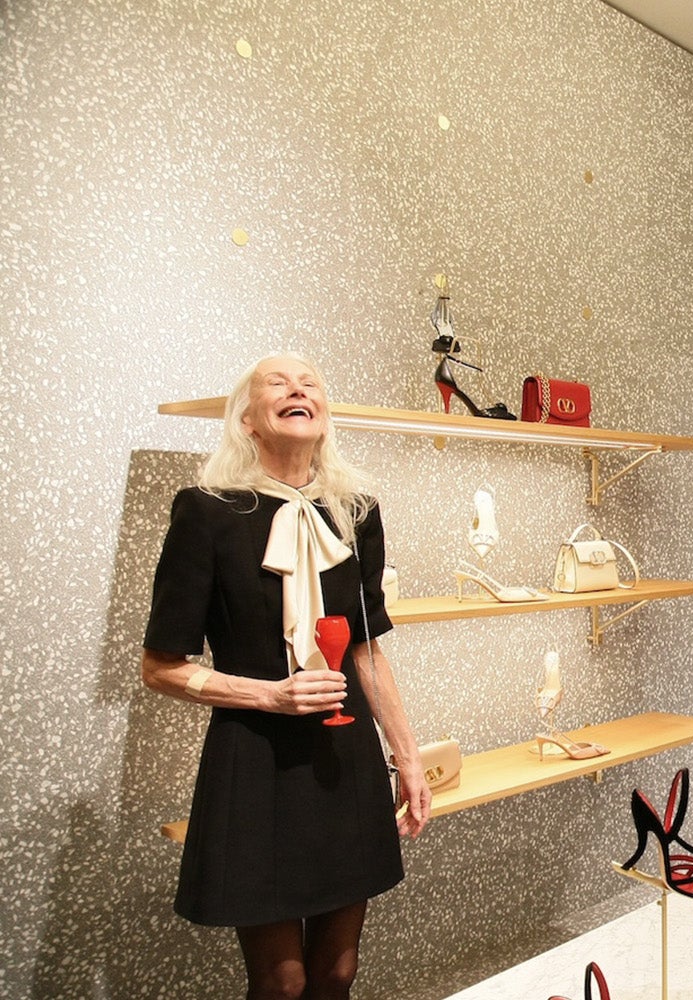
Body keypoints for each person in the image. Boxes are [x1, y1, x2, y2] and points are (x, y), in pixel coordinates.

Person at [141, 354, 431, 1000]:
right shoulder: (206, 512)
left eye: (310, 383)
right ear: (247, 419)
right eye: (277, 382)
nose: (298, 388)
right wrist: (270, 695)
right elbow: (160, 668)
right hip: (254, 759)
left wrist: (409, 758)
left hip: (344, 755)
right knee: (282, 982)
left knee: (337, 972)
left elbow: (366, 651)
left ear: (324, 413)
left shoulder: (357, 513)